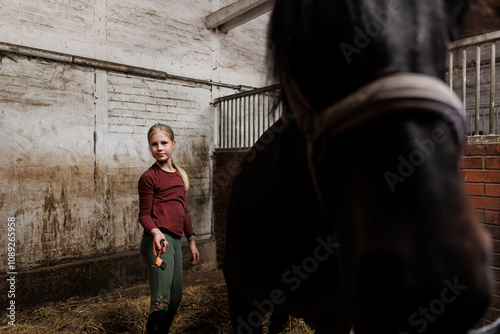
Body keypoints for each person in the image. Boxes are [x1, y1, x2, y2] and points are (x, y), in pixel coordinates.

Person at [138, 123, 200, 333]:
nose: (160, 148)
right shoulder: (149, 177)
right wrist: (155, 232)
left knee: (176, 297)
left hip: (174, 242)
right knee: (161, 298)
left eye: (164, 143)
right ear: (150, 147)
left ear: (173, 144)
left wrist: (191, 241)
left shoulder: (179, 176)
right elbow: (144, 215)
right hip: (157, 244)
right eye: (154, 144)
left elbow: (185, 211)